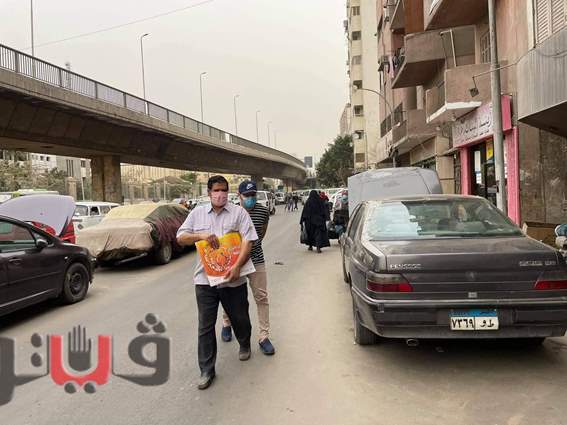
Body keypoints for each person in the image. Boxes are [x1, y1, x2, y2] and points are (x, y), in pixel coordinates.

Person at [176, 175, 258, 390]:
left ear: (228, 192)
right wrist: (200, 235)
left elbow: (248, 241)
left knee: (240, 317)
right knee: (205, 326)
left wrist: (238, 266)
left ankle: (244, 342)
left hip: (233, 278)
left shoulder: (239, 213)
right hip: (205, 280)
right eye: (216, 190)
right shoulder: (197, 214)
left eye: (224, 190)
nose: (220, 194)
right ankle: (206, 370)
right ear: (209, 193)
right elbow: (180, 237)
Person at [221, 180, 276, 355]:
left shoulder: (263, 211)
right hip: (234, 261)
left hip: (256, 259)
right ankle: (226, 322)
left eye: (253, 195)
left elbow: (262, 233)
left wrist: (252, 247)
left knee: (261, 297)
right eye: (247, 195)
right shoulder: (231, 212)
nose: (251, 198)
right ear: (239, 196)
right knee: (231, 295)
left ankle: (264, 336)